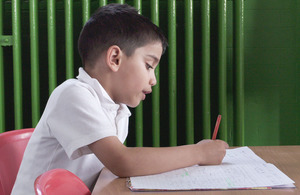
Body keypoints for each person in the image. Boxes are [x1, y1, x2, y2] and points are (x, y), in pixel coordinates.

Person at [12, 3, 228, 194]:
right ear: (115, 58)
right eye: (149, 66)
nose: (153, 80)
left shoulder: (118, 109)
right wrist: (200, 152)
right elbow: (122, 162)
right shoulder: (73, 94)